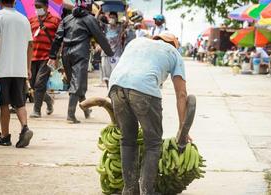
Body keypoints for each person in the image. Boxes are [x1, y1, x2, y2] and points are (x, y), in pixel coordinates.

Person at [108, 33, 188, 194]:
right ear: (174, 44)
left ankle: (129, 190)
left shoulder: (136, 42)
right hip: (144, 90)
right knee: (153, 143)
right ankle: (147, 191)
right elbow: (182, 95)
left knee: (127, 140)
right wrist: (183, 129)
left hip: (115, 86)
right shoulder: (174, 53)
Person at [48, 0, 113, 123]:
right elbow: (100, 36)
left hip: (66, 54)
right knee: (76, 84)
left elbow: (57, 38)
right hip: (80, 53)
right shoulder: (90, 19)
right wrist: (110, 53)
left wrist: (52, 55)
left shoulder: (66, 19)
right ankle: (70, 115)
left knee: (76, 82)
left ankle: (86, 110)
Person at [0, 0, 33, 148]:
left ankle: (5, 136)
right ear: (14, 2)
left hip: (3, 68)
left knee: (4, 103)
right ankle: (25, 127)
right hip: (20, 69)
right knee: (19, 102)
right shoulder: (24, 19)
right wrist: (28, 68)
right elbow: (30, 45)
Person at [29, 0, 60, 118]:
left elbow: (59, 39)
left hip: (47, 57)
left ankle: (36, 110)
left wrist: (57, 56)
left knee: (39, 83)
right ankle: (48, 100)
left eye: (39, 6)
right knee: (33, 84)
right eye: (35, 7)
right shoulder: (31, 20)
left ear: (46, 7)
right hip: (32, 56)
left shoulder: (55, 20)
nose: (37, 9)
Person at [101, 11, 127, 89]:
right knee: (106, 75)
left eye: (113, 17)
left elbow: (126, 22)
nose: (112, 19)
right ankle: (108, 89)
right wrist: (99, 10)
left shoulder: (119, 27)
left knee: (115, 73)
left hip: (116, 55)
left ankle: (114, 90)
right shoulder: (106, 27)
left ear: (116, 18)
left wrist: (125, 10)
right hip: (105, 54)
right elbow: (95, 20)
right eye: (110, 17)